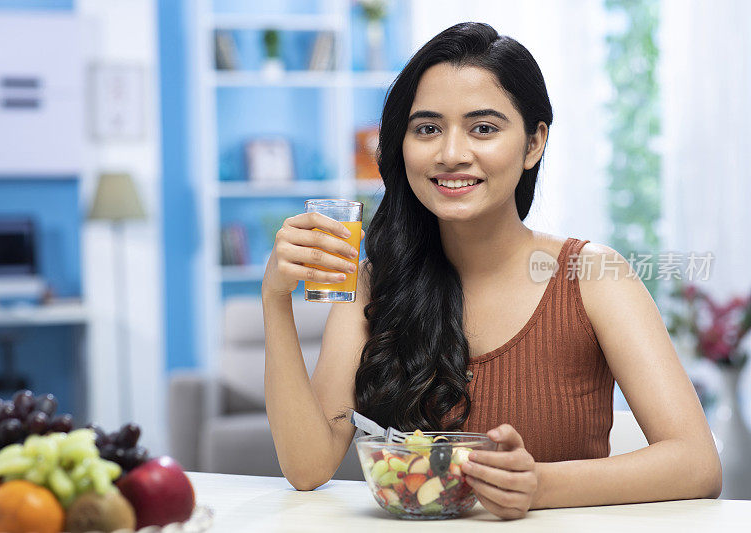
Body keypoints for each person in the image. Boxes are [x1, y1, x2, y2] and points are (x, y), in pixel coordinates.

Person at [261, 22, 721, 519]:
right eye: (427, 128)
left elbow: (697, 464)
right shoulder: (377, 284)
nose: (452, 154)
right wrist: (276, 301)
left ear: (533, 144)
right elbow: (308, 468)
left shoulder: (592, 276)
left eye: (483, 128)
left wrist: (540, 485)